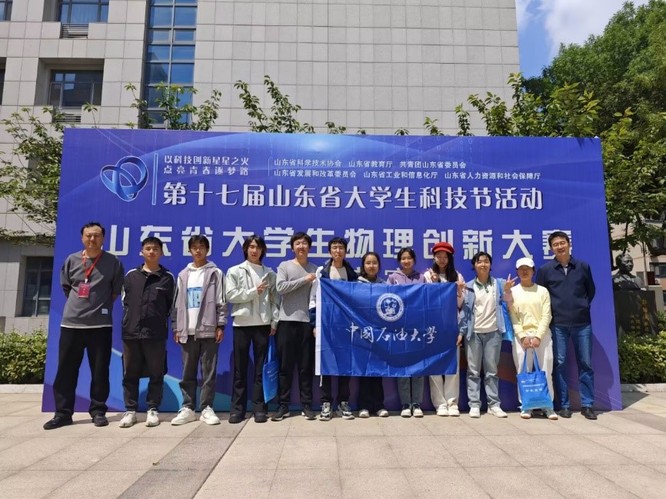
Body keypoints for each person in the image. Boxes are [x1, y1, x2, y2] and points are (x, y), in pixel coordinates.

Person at [44, 222, 124, 430]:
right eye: (88, 235)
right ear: (82, 238)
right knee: (66, 371)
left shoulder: (113, 262)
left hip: (100, 326)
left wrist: (98, 306)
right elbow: (66, 287)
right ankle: (63, 413)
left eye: (96, 235)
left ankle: (98, 411)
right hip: (72, 324)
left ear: (103, 238)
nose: (92, 239)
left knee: (100, 371)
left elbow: (115, 291)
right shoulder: (71, 260)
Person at [536, 231, 597, 420]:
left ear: (569, 244)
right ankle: (564, 405)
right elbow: (541, 296)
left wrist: (582, 306)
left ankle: (587, 404)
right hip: (558, 324)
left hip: (582, 322)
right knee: (560, 364)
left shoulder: (582, 266)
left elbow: (590, 291)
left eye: (562, 243)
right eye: (555, 244)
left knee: (585, 363)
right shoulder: (546, 270)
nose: (560, 247)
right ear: (551, 248)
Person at [118, 236, 175, 428]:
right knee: (130, 373)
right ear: (142, 252)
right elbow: (125, 302)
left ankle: (152, 409)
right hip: (131, 332)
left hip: (155, 333)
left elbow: (171, 306)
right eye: (148, 248)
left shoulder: (167, 278)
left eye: (155, 249)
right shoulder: (131, 276)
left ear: (161, 252)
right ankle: (130, 410)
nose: (151, 252)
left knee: (156, 373)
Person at [171, 234, 226, 426]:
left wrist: (220, 325)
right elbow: (177, 304)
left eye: (202, 247)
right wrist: (176, 327)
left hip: (209, 330)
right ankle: (188, 408)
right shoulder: (183, 275)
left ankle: (206, 408)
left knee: (208, 372)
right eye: (194, 247)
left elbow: (221, 301)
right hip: (187, 331)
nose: (198, 250)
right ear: (189, 250)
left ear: (207, 250)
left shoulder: (215, 273)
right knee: (188, 372)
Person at [226, 235, 279, 424]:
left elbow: (275, 300)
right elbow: (230, 295)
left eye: (258, 247)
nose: (254, 250)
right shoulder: (235, 271)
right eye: (251, 247)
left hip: (263, 325)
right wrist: (253, 292)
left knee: (260, 370)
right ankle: (237, 409)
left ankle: (259, 408)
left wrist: (274, 322)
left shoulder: (269, 273)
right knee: (240, 370)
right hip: (242, 324)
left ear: (263, 250)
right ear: (246, 249)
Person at [309, 237, 359, 421]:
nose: (338, 251)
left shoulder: (351, 273)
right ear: (330, 251)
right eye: (334, 248)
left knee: (345, 365)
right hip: (326, 325)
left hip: (346, 326)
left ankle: (343, 402)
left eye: (341, 248)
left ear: (345, 251)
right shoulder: (322, 272)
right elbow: (314, 298)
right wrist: (315, 324)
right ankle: (326, 403)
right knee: (326, 364)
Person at [460, 251, 514, 418]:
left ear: (490, 265)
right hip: (473, 334)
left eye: (486, 261)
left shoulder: (500, 284)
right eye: (479, 262)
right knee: (473, 371)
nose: (483, 264)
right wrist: (462, 331)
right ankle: (474, 404)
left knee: (492, 371)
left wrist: (507, 291)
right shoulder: (469, 286)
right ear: (474, 266)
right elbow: (464, 312)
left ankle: (493, 405)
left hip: (493, 333)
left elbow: (509, 303)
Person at [271, 232, 318, 421]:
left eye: (304, 243)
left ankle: (307, 405)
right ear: (292, 248)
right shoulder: (284, 266)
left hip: (307, 323)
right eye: (298, 243)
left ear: (309, 247)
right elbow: (281, 288)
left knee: (306, 367)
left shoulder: (315, 269)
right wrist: (305, 279)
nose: (301, 246)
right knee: (285, 367)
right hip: (286, 322)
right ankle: (283, 405)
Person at [508, 257, 557, 420]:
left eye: (527, 268)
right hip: (521, 338)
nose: (524, 271)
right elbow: (513, 316)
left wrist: (538, 336)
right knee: (523, 372)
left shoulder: (542, 291)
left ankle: (547, 405)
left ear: (533, 271)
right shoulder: (513, 291)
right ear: (517, 272)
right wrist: (522, 336)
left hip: (542, 336)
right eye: (521, 269)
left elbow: (546, 315)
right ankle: (526, 405)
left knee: (546, 370)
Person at [423, 241, 465, 417]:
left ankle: (452, 402)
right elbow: (426, 300)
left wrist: (459, 291)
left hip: (451, 325)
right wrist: (435, 284)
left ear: (449, 258)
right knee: (434, 365)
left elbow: (460, 305)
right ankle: (439, 403)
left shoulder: (457, 276)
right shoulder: (427, 275)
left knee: (452, 365)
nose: (441, 259)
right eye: (438, 256)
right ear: (434, 257)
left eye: (445, 256)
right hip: (432, 325)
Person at [387, 247, 426, 418]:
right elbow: (387, 300)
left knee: (418, 367)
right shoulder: (392, 278)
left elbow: (427, 300)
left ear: (414, 260)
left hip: (417, 328)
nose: (406, 261)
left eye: (409, 258)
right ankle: (405, 403)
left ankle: (416, 403)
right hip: (398, 329)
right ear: (399, 261)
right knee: (402, 368)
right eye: (403, 258)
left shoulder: (421, 278)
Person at [357, 251, 389, 418]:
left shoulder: (384, 285)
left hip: (379, 333)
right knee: (363, 371)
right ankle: (363, 406)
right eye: (368, 263)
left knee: (377, 371)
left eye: (374, 263)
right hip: (361, 333)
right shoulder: (356, 284)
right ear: (363, 266)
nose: (371, 266)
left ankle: (378, 405)